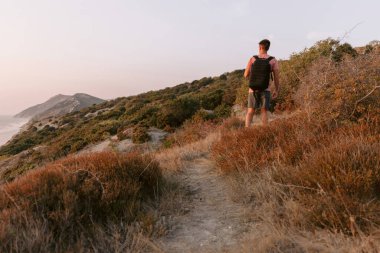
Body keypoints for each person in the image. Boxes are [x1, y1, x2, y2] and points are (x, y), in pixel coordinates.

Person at [244, 39, 280, 127]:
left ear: (260, 47)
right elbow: (276, 77)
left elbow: (245, 75)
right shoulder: (273, 60)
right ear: (268, 48)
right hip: (265, 89)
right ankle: (264, 131)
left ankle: (246, 130)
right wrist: (277, 90)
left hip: (253, 89)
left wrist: (254, 77)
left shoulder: (253, 58)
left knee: (250, 111)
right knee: (264, 111)